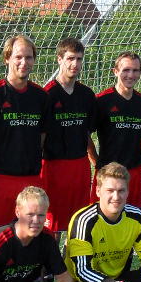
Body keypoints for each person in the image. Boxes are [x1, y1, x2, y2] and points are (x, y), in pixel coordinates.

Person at [0, 35, 47, 241]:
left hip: (31, 179)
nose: (24, 62)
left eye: (28, 57)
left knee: (29, 238)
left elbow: (42, 135)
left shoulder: (41, 97)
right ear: (7, 58)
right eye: (18, 57)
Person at [41, 38, 97, 233]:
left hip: (79, 166)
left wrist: (95, 160)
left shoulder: (87, 95)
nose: (75, 64)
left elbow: (87, 133)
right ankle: (51, 254)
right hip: (53, 166)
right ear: (59, 59)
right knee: (52, 225)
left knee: (79, 222)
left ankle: (74, 254)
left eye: (79, 59)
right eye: (70, 58)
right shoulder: (46, 94)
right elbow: (41, 136)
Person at [91, 51, 141, 208]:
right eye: (126, 70)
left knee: (132, 216)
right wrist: (97, 162)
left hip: (134, 172)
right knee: (102, 216)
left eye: (135, 70)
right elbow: (86, 135)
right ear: (116, 71)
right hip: (108, 173)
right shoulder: (102, 101)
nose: (131, 75)